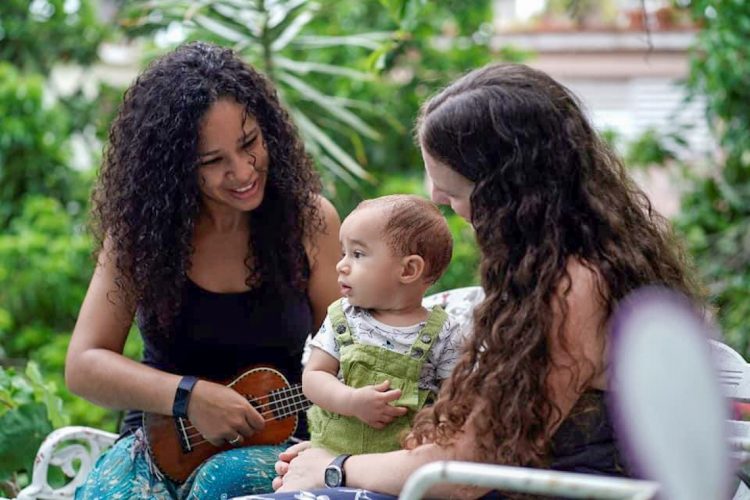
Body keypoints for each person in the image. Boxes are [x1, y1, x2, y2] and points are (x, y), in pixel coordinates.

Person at [266, 62, 702, 499]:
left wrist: (336, 468)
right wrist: (352, 453)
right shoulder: (575, 262)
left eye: (452, 191)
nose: (436, 199)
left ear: (507, 191)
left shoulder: (573, 288)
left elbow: (465, 474)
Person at [64, 41, 341, 499]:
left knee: (221, 483)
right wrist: (188, 396)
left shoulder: (311, 222)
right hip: (157, 446)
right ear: (173, 170)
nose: (243, 170)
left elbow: (351, 350)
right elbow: (84, 365)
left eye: (250, 143)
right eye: (213, 162)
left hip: (278, 445)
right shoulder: (140, 233)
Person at [305, 194, 464, 456]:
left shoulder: (445, 334)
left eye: (357, 254)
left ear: (408, 270)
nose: (341, 265)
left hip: (399, 466)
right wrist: (351, 401)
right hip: (330, 456)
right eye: (343, 253)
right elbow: (313, 377)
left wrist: (438, 432)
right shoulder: (342, 318)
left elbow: (454, 400)